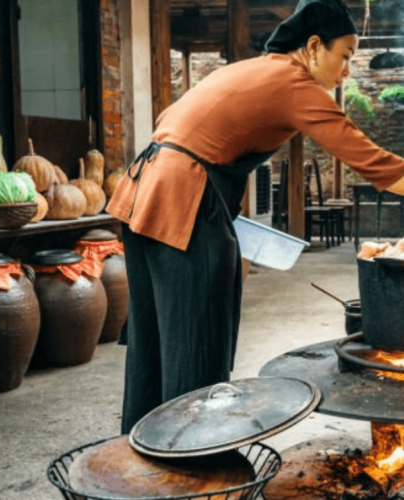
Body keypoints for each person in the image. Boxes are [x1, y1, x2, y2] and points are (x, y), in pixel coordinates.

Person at [106, 0, 404, 434]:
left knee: (154, 342)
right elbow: (373, 162)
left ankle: (141, 454)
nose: (346, 72)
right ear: (314, 46)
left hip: (143, 192)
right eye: (345, 57)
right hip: (182, 198)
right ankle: (192, 460)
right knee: (196, 339)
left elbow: (176, 124)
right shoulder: (292, 82)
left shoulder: (252, 69)